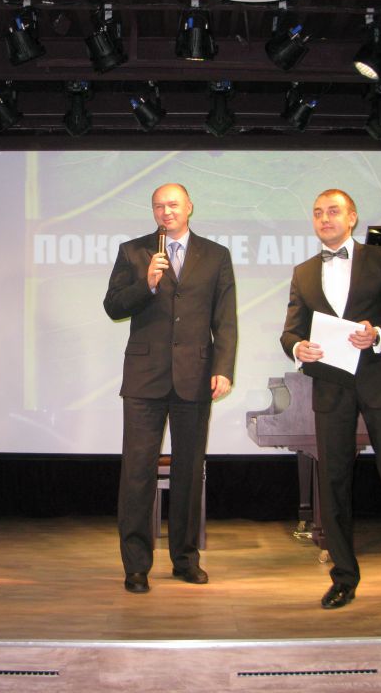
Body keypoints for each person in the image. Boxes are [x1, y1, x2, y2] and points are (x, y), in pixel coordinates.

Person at [280, 189, 381, 608]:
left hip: (380, 382)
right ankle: (344, 578)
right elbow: (290, 331)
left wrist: (379, 334)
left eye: (333, 211)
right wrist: (298, 348)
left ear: (352, 217)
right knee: (332, 483)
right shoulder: (303, 272)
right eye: (318, 213)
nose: (324, 218)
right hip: (330, 387)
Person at [104, 183, 237, 593]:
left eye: (174, 204)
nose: (166, 211)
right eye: (159, 206)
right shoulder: (133, 251)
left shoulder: (216, 255)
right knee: (137, 473)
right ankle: (136, 566)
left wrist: (223, 368)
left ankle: (185, 559)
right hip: (144, 378)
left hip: (195, 375)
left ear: (189, 207)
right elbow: (112, 307)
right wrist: (146, 283)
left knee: (188, 472)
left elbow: (225, 319)